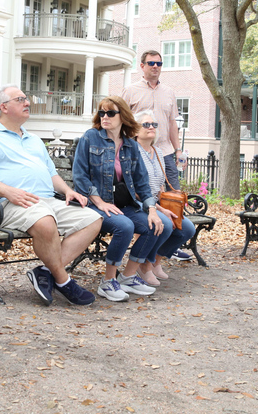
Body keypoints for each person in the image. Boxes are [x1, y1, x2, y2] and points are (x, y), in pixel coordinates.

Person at [0, 85, 102, 306]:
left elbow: (52, 174)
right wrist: (7, 191)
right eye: (20, 99)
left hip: (48, 201)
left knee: (92, 219)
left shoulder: (34, 140)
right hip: (11, 203)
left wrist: (68, 190)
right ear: (3, 107)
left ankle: (44, 271)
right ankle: (63, 281)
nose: (27, 102)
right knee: (45, 223)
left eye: (26, 99)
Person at [73, 96, 166, 301]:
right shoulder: (90, 138)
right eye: (102, 113)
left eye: (110, 113)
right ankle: (108, 282)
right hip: (94, 204)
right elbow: (79, 176)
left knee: (156, 225)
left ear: (122, 116)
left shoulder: (131, 146)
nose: (105, 117)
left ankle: (128, 277)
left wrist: (152, 210)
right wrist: (99, 201)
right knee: (124, 226)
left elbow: (142, 183)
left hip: (123, 203)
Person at [122, 50, 191, 262]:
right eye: (151, 63)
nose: (155, 66)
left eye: (159, 63)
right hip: (138, 151)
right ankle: (150, 247)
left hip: (164, 153)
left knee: (173, 200)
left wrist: (178, 150)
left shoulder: (169, 92)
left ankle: (166, 246)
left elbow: (172, 123)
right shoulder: (130, 91)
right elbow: (123, 122)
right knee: (146, 196)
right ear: (141, 66)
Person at [133, 110, 196, 283]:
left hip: (157, 202)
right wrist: (158, 209)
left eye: (154, 124)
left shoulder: (158, 152)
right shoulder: (132, 152)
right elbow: (135, 189)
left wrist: (168, 204)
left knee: (187, 228)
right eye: (146, 124)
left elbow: (161, 184)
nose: (151, 127)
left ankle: (155, 262)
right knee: (166, 224)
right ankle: (144, 265)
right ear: (135, 130)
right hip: (139, 203)